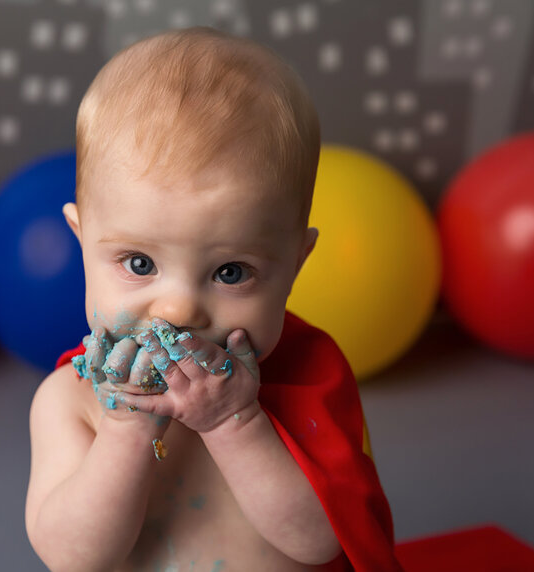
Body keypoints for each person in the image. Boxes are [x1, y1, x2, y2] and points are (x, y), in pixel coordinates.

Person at [25, 26, 401, 572]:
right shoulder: (69, 401)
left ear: (295, 264)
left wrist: (235, 425)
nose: (178, 310)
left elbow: (321, 540)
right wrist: (125, 431)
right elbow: (72, 558)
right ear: (82, 242)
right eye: (139, 264)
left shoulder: (308, 378)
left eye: (230, 271)